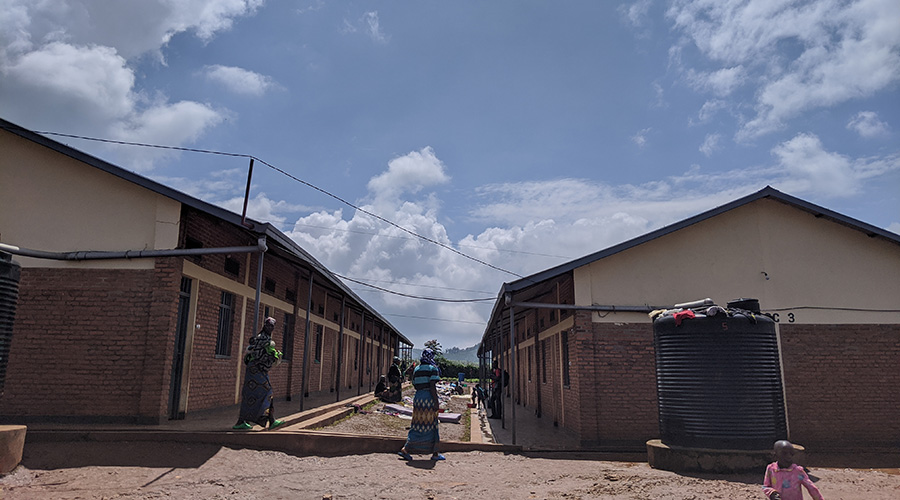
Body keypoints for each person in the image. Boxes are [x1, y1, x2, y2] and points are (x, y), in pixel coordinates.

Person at [233, 317, 284, 430]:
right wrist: (273, 357)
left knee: (251, 395)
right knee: (266, 392)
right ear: (264, 326)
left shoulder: (264, 338)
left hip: (257, 371)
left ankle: (243, 421)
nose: (269, 328)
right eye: (268, 325)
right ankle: (270, 420)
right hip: (255, 371)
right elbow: (259, 356)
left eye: (272, 326)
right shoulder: (263, 339)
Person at [397, 348, 445, 461]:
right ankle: (435, 453)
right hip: (428, 398)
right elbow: (432, 386)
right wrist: (436, 401)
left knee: (417, 423)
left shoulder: (417, 369)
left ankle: (407, 448)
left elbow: (415, 384)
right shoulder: (433, 369)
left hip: (418, 398)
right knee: (432, 424)